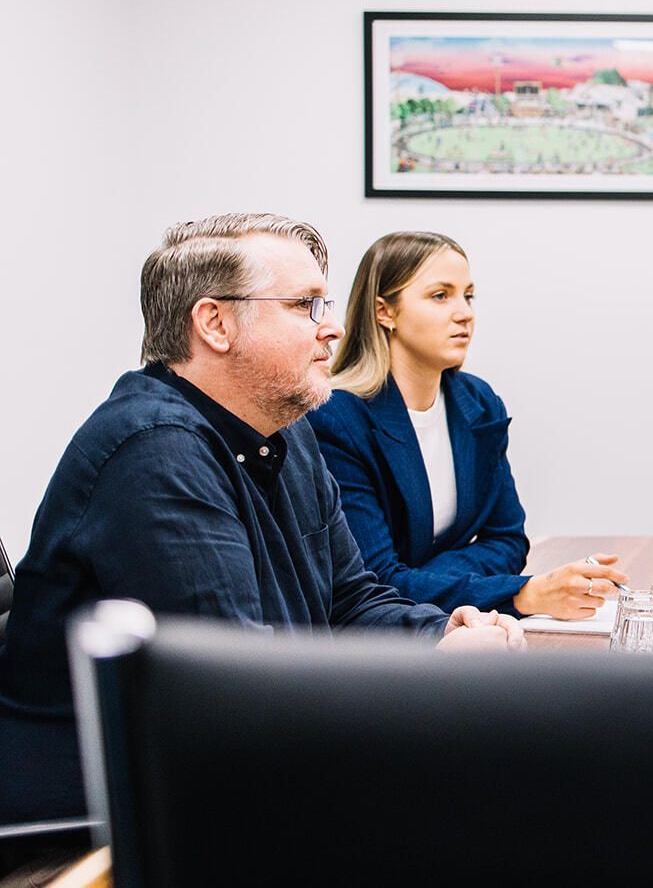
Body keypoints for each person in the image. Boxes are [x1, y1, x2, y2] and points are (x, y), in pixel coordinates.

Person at [0, 215, 523, 831]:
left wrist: (438, 634)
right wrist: (426, 671)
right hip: (99, 810)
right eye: (305, 305)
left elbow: (350, 599)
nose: (332, 326)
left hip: (229, 766)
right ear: (215, 324)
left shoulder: (287, 429)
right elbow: (238, 678)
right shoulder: (155, 451)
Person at [309, 232, 626, 618]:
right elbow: (372, 583)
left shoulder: (478, 403)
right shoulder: (336, 417)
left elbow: (508, 539)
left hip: (460, 627)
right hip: (378, 649)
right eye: (440, 296)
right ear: (384, 312)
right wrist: (524, 594)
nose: (465, 313)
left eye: (468, 295)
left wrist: (423, 577)